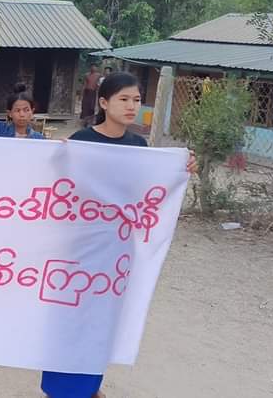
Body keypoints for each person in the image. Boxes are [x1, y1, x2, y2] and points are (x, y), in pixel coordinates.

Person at [43, 71, 197, 398]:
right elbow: (60, 188)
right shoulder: (83, 141)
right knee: (70, 318)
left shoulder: (138, 146)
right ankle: (62, 389)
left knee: (102, 321)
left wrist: (180, 170)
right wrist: (54, 157)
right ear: (103, 102)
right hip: (79, 249)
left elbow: (146, 191)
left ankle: (89, 385)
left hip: (117, 251)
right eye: (123, 99)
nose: (132, 107)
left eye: (137, 100)